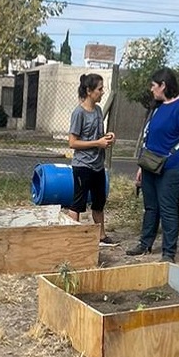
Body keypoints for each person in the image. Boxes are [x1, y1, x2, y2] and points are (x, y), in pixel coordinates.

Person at [125, 67, 179, 263]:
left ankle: (168, 253)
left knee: (168, 209)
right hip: (150, 164)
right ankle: (145, 244)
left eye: (153, 85)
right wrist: (141, 167)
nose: (151, 89)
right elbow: (149, 138)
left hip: (171, 167)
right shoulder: (157, 107)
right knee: (151, 207)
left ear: (163, 85)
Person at [67, 73, 117, 246]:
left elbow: (97, 136)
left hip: (97, 165)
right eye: (100, 89)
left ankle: (101, 236)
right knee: (78, 203)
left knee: (99, 202)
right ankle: (72, 238)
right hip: (82, 166)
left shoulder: (98, 110)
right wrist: (97, 143)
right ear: (89, 91)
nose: (102, 92)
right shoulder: (78, 113)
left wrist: (107, 137)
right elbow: (72, 143)